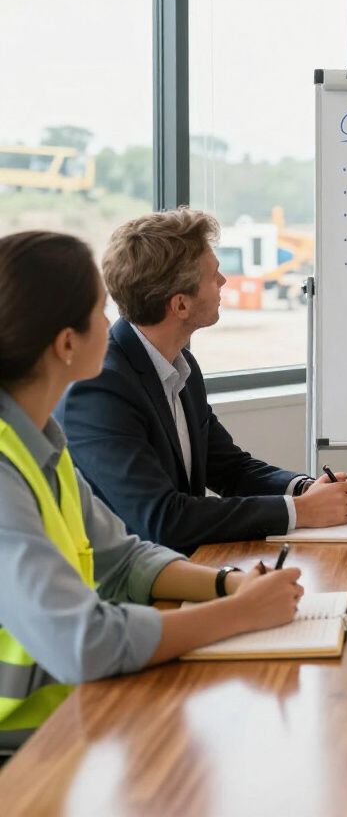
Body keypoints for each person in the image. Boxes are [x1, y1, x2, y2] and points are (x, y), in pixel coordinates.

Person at [0, 231, 306, 750]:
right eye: (100, 310)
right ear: (66, 343)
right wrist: (239, 614)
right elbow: (86, 642)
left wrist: (230, 585)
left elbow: (122, 560)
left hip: (69, 726)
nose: (113, 321)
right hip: (25, 754)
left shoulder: (39, 443)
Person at [57, 209, 347, 555]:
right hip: (127, 591)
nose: (223, 282)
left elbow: (230, 469)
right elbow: (164, 520)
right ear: (181, 305)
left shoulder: (181, 365)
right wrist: (301, 512)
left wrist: (303, 489)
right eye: (213, 274)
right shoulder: (99, 389)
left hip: (180, 568)